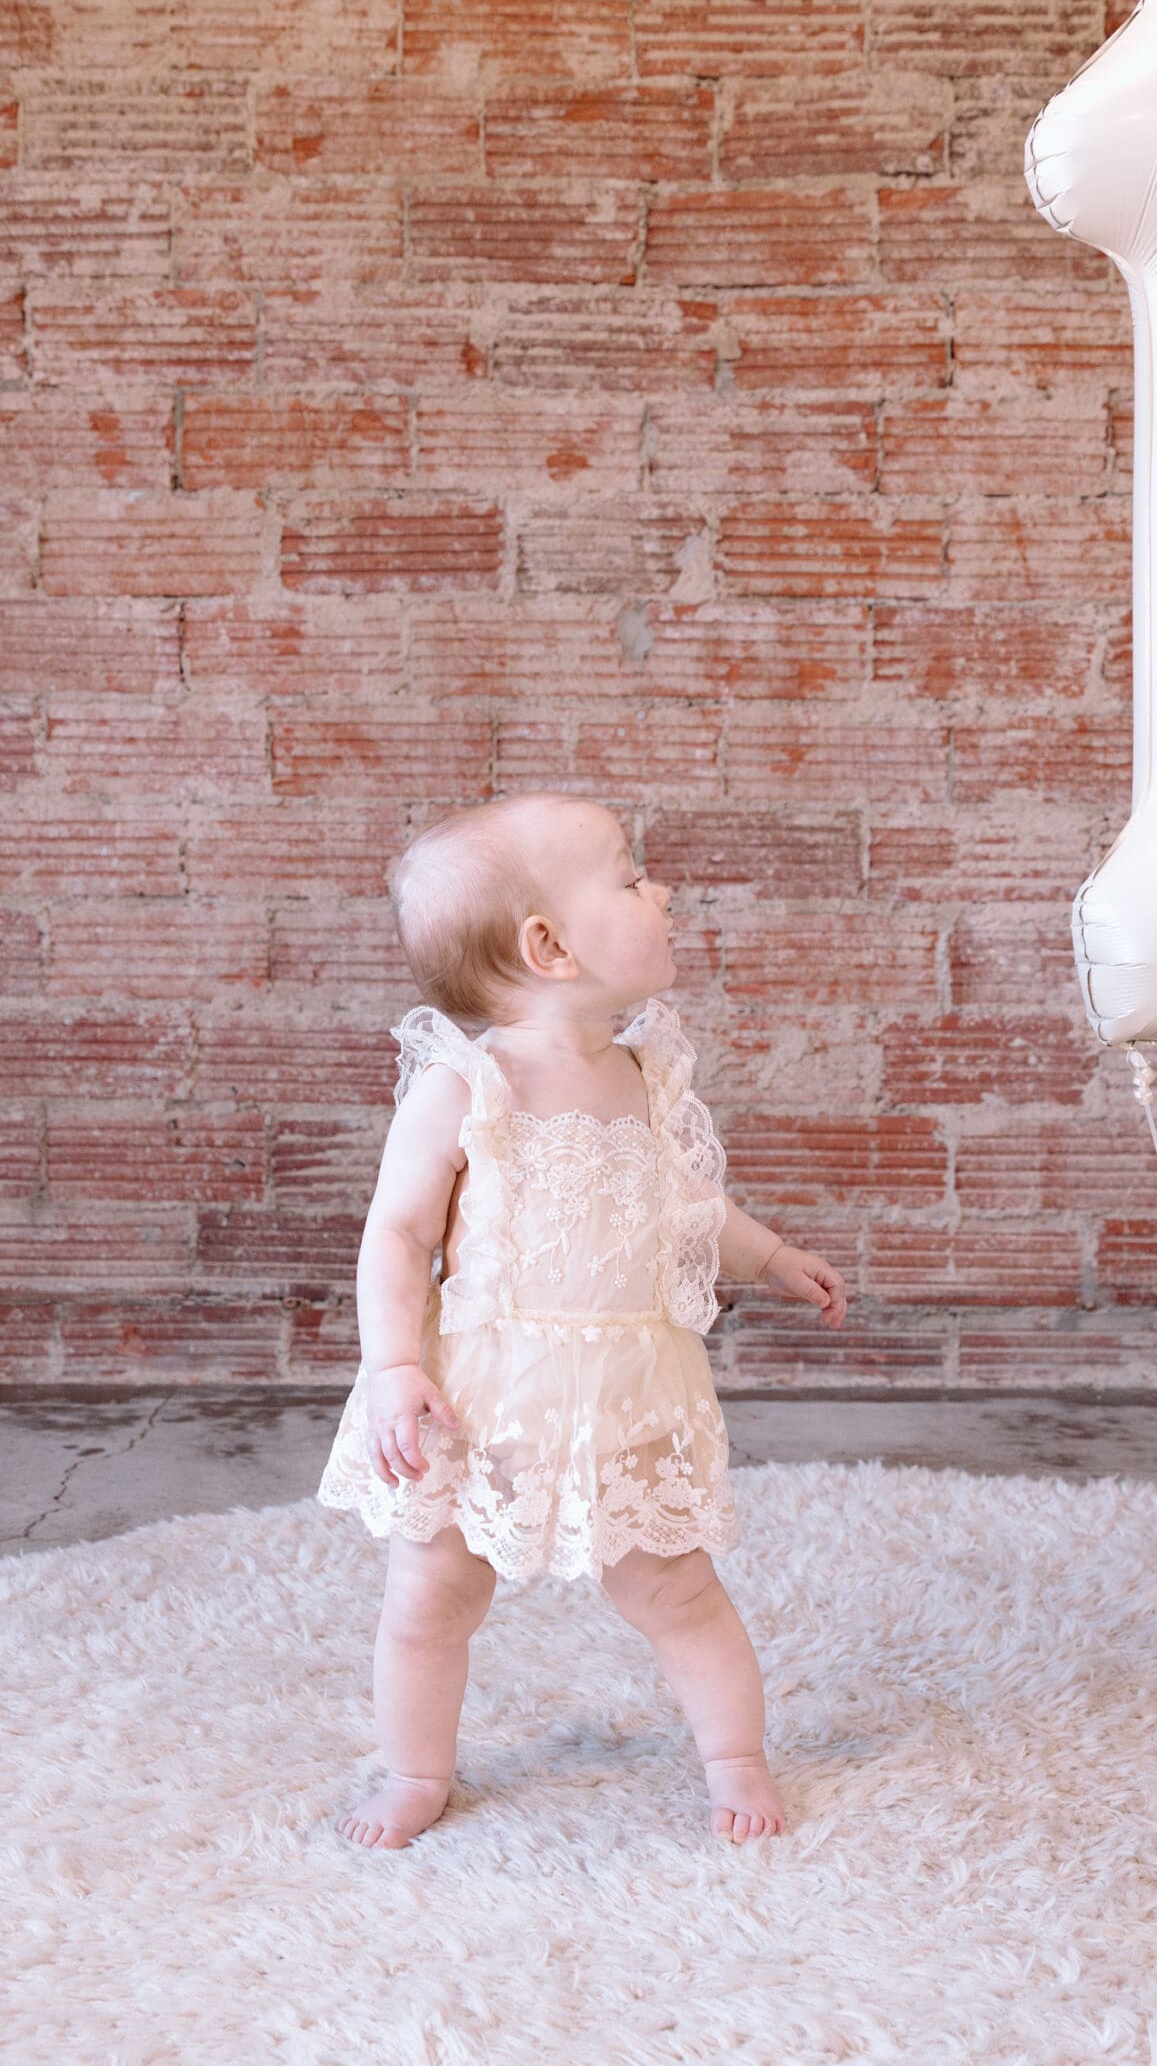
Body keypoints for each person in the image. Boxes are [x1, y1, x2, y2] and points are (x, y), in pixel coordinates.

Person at [317, 791, 848, 1851]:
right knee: (430, 1595)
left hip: (626, 1393)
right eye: (630, 874)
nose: (662, 889)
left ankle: (734, 1753)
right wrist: (391, 1365)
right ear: (550, 946)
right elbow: (396, 1235)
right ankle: (415, 1765)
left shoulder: (647, 1076)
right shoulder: (466, 1085)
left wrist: (771, 1255)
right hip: (480, 1399)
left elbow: (690, 1204)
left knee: (679, 1588)